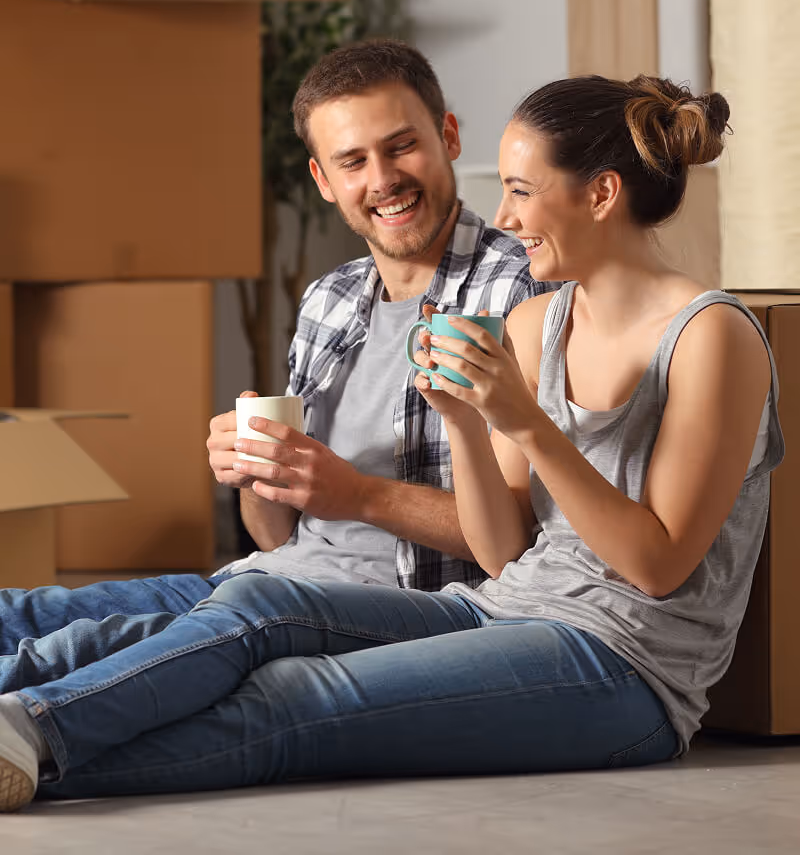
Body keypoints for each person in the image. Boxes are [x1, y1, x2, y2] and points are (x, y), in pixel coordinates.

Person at [0, 74, 783, 812]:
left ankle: (34, 748)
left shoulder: (710, 336)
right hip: (499, 608)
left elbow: (657, 565)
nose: (506, 217)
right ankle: (26, 725)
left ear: (602, 193)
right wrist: (465, 422)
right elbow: (506, 552)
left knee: (296, 699)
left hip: (622, 668)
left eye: (519, 190)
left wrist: (525, 424)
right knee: (264, 601)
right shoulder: (538, 324)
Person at [0, 40, 545, 660]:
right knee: (17, 616)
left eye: (401, 146)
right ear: (322, 179)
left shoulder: (521, 288)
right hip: (261, 584)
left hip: (397, 611)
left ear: (447, 135)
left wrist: (356, 494)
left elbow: (528, 535)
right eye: (352, 161)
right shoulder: (328, 300)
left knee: (77, 653)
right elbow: (274, 534)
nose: (382, 179)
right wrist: (254, 473)